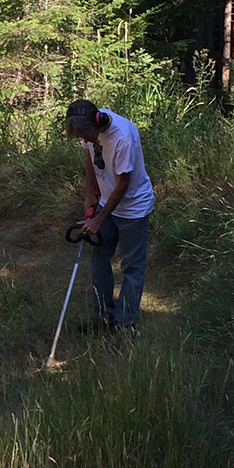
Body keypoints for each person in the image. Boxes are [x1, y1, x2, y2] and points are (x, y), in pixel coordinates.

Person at [65, 99, 154, 332]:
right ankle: (103, 317)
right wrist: (90, 193)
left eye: (86, 136)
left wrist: (99, 219)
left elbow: (123, 184)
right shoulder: (89, 126)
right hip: (106, 203)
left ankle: (125, 324)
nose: (84, 141)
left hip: (133, 208)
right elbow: (91, 157)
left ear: (98, 123)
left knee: (131, 266)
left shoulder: (123, 138)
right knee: (99, 257)